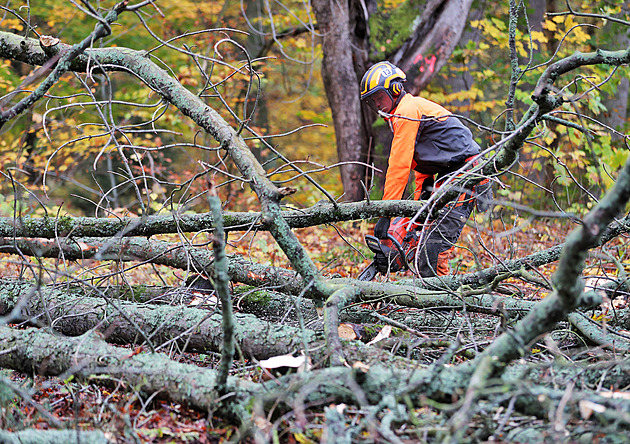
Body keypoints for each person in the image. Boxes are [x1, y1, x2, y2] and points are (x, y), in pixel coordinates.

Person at [360, 61, 483, 277]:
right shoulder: (402, 116)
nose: (377, 105)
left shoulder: (407, 110)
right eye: (372, 101)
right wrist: (416, 214)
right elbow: (423, 171)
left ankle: (442, 304)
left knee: (434, 246)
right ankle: (431, 299)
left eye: (379, 97)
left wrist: (385, 213)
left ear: (395, 88)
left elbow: (399, 165)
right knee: (423, 237)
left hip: (466, 172)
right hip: (450, 175)